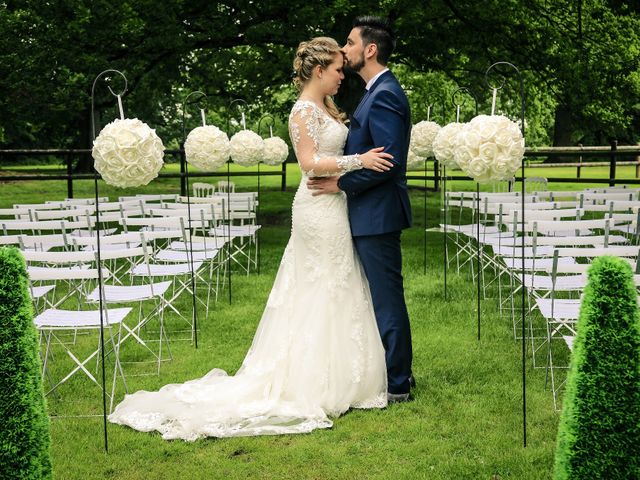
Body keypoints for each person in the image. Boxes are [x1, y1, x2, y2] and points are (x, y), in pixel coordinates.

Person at [108, 37, 392, 440]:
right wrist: (358, 161)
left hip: (335, 203)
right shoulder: (301, 113)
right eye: (336, 70)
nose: (341, 76)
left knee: (338, 282)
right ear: (318, 71)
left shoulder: (327, 108)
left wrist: (346, 176)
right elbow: (309, 164)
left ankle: (346, 375)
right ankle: (311, 380)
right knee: (317, 284)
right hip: (315, 209)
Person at [307, 17, 414, 402]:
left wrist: (341, 182)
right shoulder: (374, 90)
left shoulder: (385, 93)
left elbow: (388, 162)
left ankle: (399, 383)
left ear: (370, 49)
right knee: (377, 296)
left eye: (350, 43)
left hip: (378, 214)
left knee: (386, 298)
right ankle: (391, 372)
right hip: (369, 213)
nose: (344, 49)